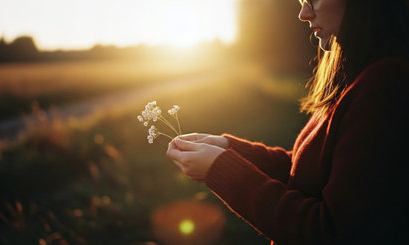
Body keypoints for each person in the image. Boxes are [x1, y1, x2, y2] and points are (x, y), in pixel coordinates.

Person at [166, 0, 409, 244]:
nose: (304, 14)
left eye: (313, 0)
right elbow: (308, 175)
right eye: (303, 2)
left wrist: (219, 169)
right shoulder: (359, 78)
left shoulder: (385, 87)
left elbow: (330, 232)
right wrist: (228, 149)